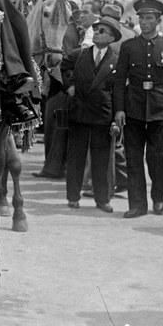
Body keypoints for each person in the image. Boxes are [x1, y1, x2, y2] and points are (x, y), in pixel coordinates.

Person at [114, 0, 163, 218]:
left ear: (158, 21)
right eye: (141, 18)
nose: (144, 22)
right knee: (133, 159)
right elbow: (119, 82)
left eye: (149, 18)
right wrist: (119, 109)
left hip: (160, 111)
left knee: (157, 159)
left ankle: (158, 196)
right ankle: (137, 205)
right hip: (133, 109)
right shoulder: (128, 47)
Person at [63, 16, 121, 212]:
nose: (96, 33)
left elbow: (118, 91)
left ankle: (102, 199)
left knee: (101, 160)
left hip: (102, 115)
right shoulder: (80, 54)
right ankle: (72, 197)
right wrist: (69, 86)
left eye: (102, 31)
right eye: (95, 30)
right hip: (79, 111)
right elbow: (64, 67)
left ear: (112, 37)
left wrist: (115, 120)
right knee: (76, 157)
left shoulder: (116, 60)